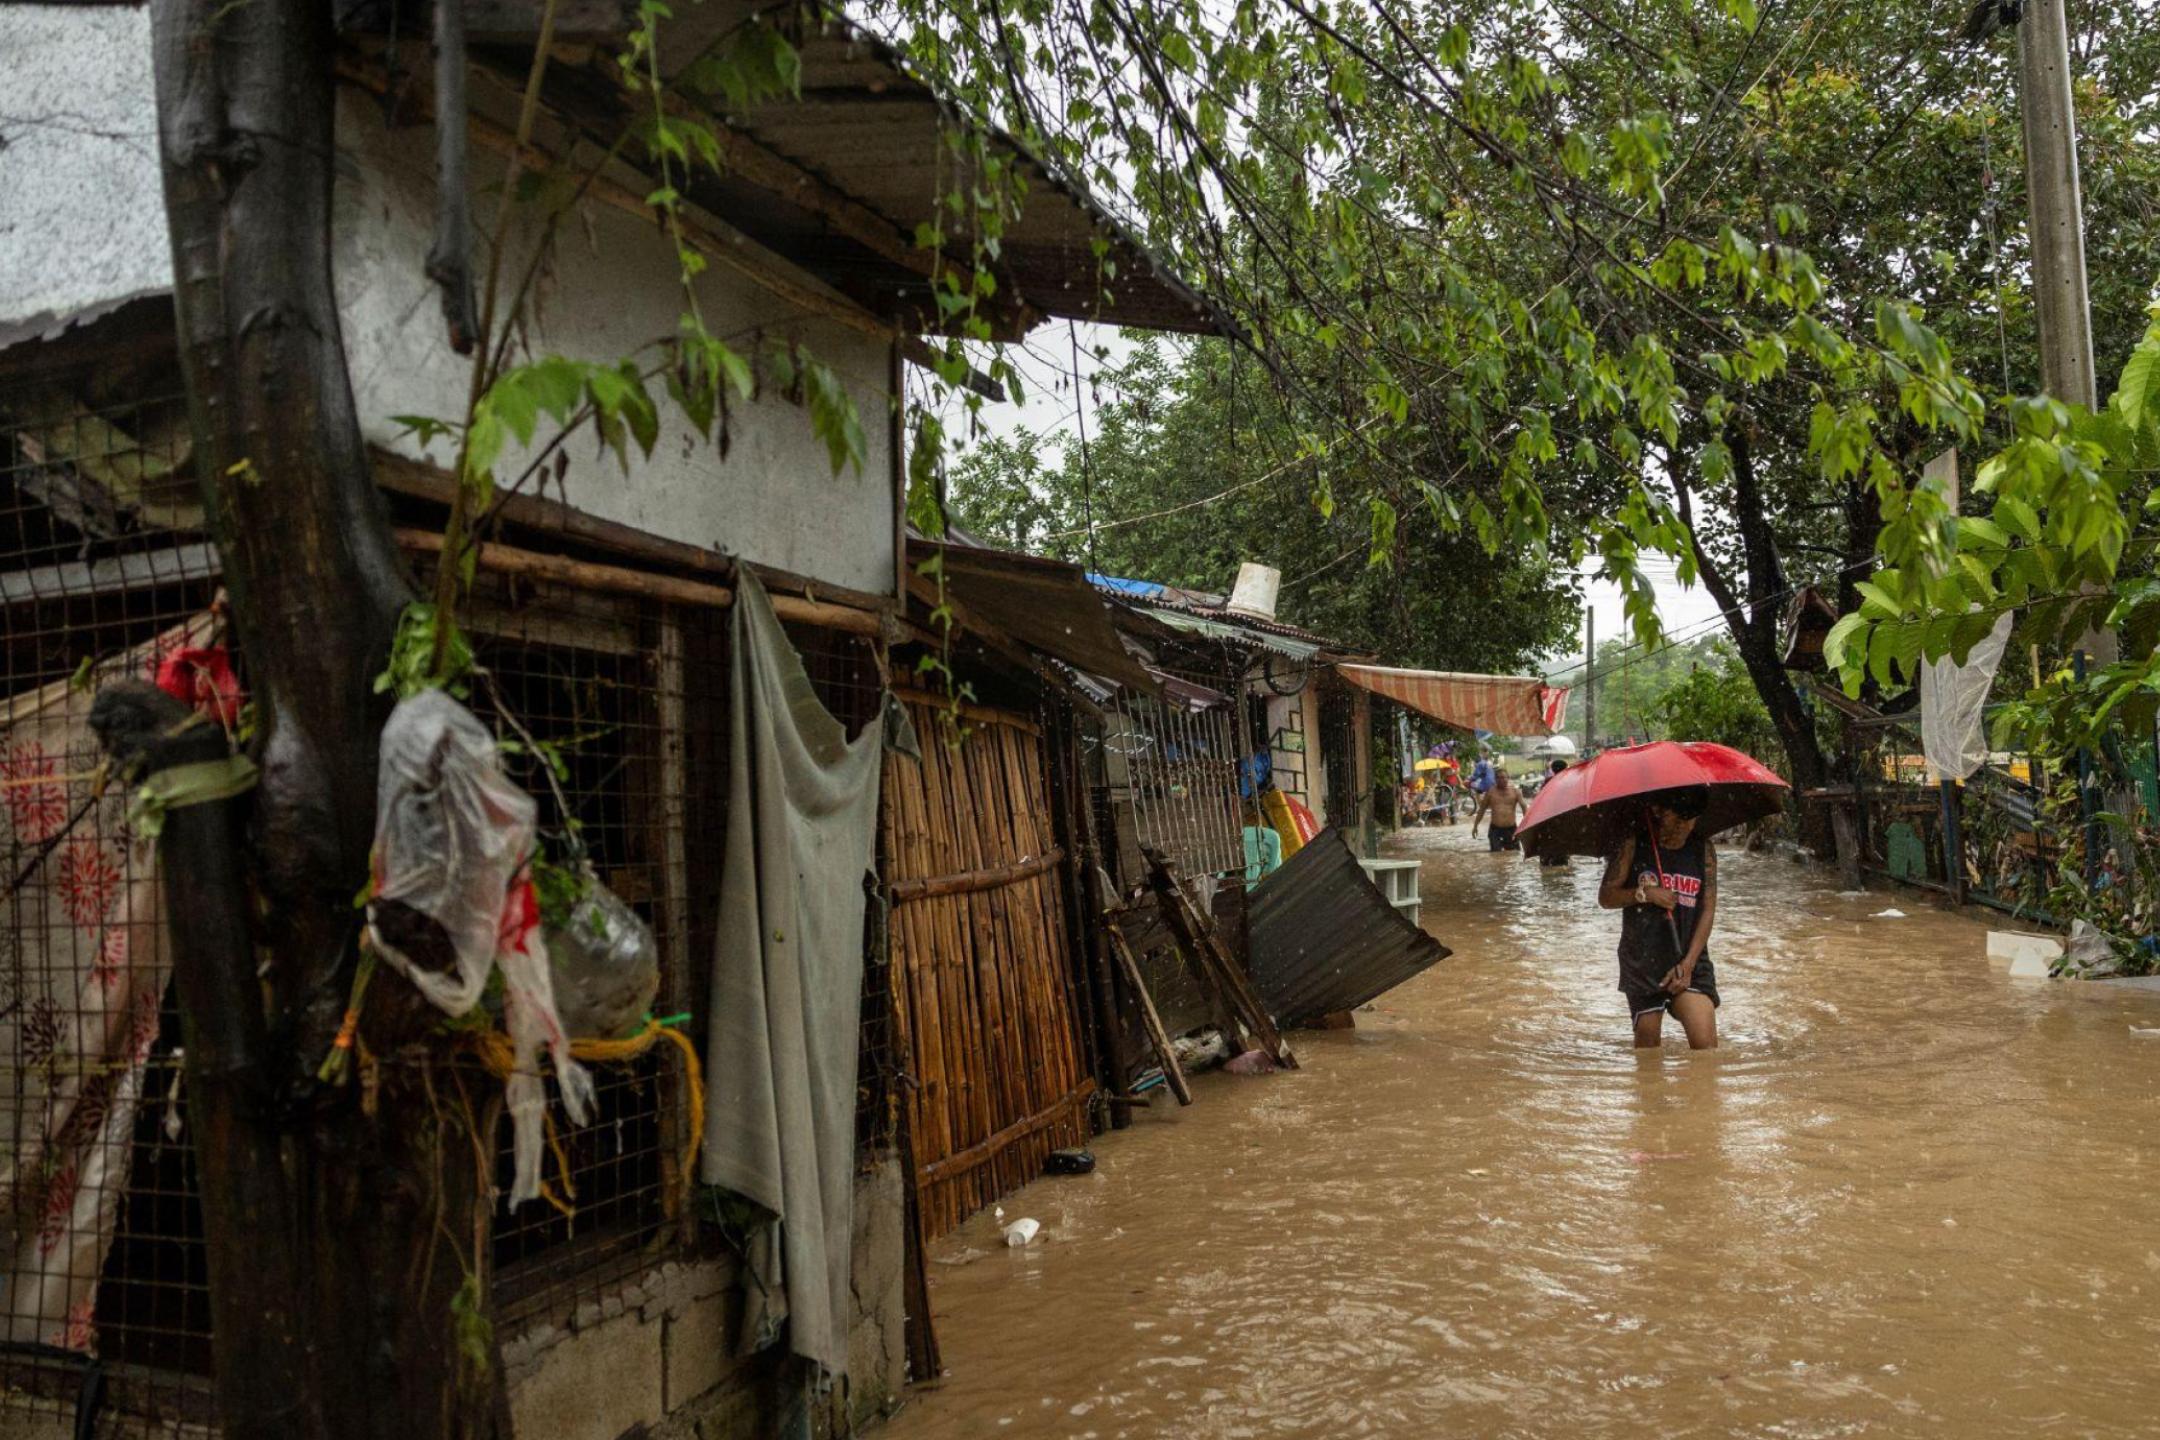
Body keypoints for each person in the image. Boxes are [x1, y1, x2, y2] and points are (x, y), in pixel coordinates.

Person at [1597, 785, 1719, 1050]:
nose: (1682, 828)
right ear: (1657, 811)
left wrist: (1688, 964)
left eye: (1689, 821)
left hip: (1689, 958)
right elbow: (1606, 897)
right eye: (1675, 819)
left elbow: (1708, 909)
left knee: (1705, 1046)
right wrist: (1646, 894)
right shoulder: (1632, 843)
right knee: (1648, 1048)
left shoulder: (1703, 849)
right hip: (1643, 960)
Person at [1471, 765, 1524, 851]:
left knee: (1513, 854)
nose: (1501, 780)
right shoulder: (1490, 792)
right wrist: (1475, 826)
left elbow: (1524, 808)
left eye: (1503, 777)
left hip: (1511, 829)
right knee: (1496, 855)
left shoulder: (1516, 792)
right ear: (1495, 780)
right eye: (1498, 778)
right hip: (1495, 830)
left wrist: (1526, 826)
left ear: (1508, 778)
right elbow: (1482, 810)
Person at [1538, 759, 1571, 868]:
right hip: (1562, 820)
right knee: (1562, 851)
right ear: (1565, 769)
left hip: (1547, 819)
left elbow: (1540, 800)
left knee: (1548, 848)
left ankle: (1546, 863)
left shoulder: (1548, 782)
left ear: (1552, 770)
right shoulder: (1568, 782)